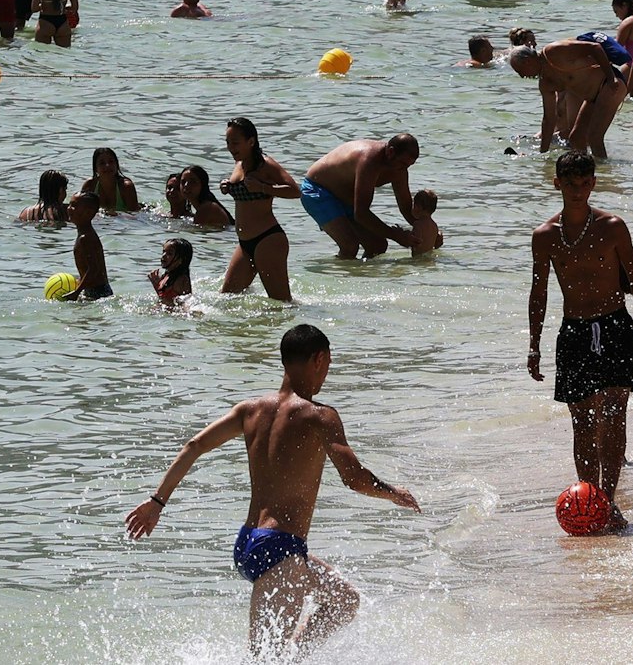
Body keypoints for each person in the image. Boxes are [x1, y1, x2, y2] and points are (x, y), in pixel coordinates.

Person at [123, 324, 419, 655]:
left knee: (343, 600)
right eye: (329, 364)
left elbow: (194, 445)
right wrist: (392, 493)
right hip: (281, 549)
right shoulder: (320, 416)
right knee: (265, 658)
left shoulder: (250, 410)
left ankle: (295, 656)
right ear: (319, 359)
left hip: (250, 541)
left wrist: (156, 502)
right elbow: (354, 478)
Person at [527, 151, 633, 533]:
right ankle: (591, 495)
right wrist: (534, 345)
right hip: (575, 332)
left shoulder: (613, 227)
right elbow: (539, 293)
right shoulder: (546, 236)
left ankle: (609, 500)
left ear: (593, 183)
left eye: (585, 184)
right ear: (557, 185)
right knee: (582, 423)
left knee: (615, 416)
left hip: (615, 326)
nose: (578, 191)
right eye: (571, 184)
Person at [219, 117, 303, 301]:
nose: (231, 148)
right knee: (225, 300)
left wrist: (264, 188)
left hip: (268, 240)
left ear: (251, 141)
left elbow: (296, 191)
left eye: (235, 143)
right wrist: (228, 186)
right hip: (244, 244)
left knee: (281, 303)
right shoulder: (239, 164)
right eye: (227, 142)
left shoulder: (266, 164)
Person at [299, 135, 421, 259]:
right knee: (349, 246)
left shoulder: (400, 170)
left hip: (346, 197)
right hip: (318, 189)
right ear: (390, 152)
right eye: (402, 163)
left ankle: (362, 277)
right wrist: (396, 235)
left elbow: (405, 207)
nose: (404, 169)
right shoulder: (369, 160)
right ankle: (335, 276)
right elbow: (361, 213)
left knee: (377, 246)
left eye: (409, 165)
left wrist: (427, 228)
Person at [510, 38, 629, 160]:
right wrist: (543, 154)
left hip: (610, 85)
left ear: (527, 61)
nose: (522, 76)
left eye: (520, 71)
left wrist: (610, 78)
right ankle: (587, 170)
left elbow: (594, 47)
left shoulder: (553, 51)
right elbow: (549, 120)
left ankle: (605, 173)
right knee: (576, 138)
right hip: (591, 98)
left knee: (594, 137)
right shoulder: (545, 84)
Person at [60, 192, 113, 300]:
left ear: (89, 213)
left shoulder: (86, 238)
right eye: (69, 204)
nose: (69, 208)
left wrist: (77, 292)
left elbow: (94, 269)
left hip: (98, 292)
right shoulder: (86, 234)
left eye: (74, 206)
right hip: (97, 290)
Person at [167, 165, 234, 229]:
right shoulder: (204, 207)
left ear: (202, 185)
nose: (186, 185)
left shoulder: (207, 209)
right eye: (183, 182)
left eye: (192, 182)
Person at [82, 147, 141, 214]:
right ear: (96, 168)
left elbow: (135, 215)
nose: (107, 165)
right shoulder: (90, 185)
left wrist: (115, 216)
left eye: (111, 161)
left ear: (117, 165)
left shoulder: (126, 187)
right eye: (102, 163)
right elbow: (81, 211)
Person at [147, 237, 195, 307]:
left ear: (180, 260)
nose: (163, 256)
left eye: (169, 253)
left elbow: (179, 306)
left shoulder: (181, 279)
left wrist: (157, 287)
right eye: (163, 252)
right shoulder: (167, 275)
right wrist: (157, 285)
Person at [406, 190, 443, 256]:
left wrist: (407, 236)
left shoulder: (417, 224)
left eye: (414, 205)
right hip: (429, 257)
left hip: (418, 258)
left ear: (418, 208)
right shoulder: (434, 225)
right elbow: (436, 245)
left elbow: (417, 243)